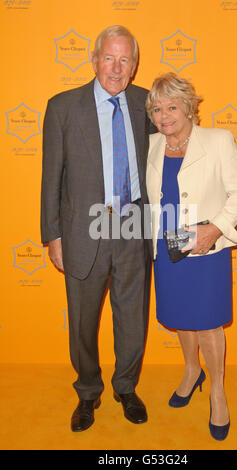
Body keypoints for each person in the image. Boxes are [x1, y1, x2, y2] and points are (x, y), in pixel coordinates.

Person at [41, 25, 155, 432]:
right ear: (94, 59)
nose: (117, 67)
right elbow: (51, 177)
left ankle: (126, 387)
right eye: (110, 57)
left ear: (135, 65)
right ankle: (88, 392)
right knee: (83, 321)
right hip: (83, 229)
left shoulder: (148, 104)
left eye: (126, 59)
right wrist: (52, 235)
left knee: (133, 317)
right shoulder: (62, 107)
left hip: (134, 223)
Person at [146, 73, 237, 440]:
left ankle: (218, 392)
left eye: (172, 106)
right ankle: (192, 372)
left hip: (205, 246)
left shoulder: (219, 140)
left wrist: (215, 229)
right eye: (157, 108)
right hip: (167, 247)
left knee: (207, 323)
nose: (164, 116)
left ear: (189, 106)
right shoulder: (152, 145)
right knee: (181, 319)